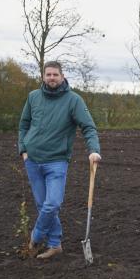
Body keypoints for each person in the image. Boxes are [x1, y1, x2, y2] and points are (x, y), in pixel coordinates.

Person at [18, 61, 101, 259]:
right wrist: (23, 150)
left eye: (55, 74)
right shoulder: (33, 97)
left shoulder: (74, 100)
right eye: (48, 74)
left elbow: (88, 127)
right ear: (43, 77)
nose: (52, 78)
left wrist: (94, 150)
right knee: (41, 204)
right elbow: (23, 124)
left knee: (52, 204)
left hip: (56, 161)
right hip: (33, 160)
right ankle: (55, 245)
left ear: (62, 77)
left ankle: (35, 238)